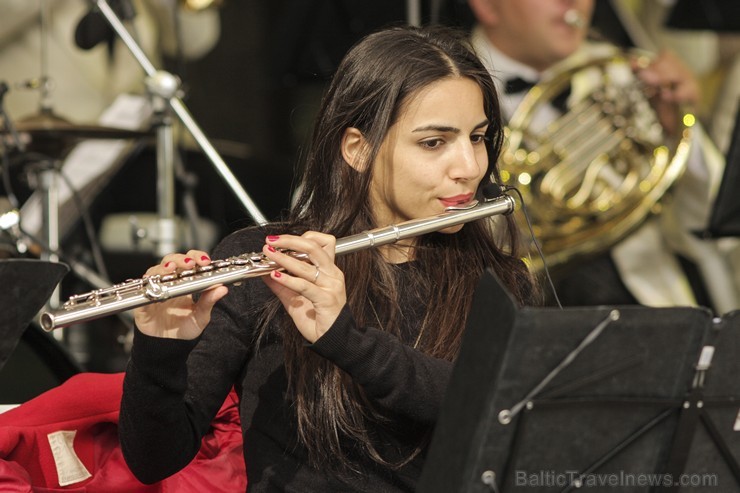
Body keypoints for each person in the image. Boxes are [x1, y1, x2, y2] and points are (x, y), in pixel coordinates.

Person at [118, 25, 537, 492]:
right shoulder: (266, 262)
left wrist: (346, 339)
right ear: (358, 149)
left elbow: (503, 411)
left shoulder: (500, 282)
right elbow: (153, 460)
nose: (469, 167)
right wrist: (160, 349)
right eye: (434, 142)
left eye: (477, 137)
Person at [468, 0, 740, 314]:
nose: (573, 3)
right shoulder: (450, 85)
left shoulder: (622, 73)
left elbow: (707, 221)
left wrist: (677, 129)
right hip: (524, 311)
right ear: (487, 6)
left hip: (646, 298)